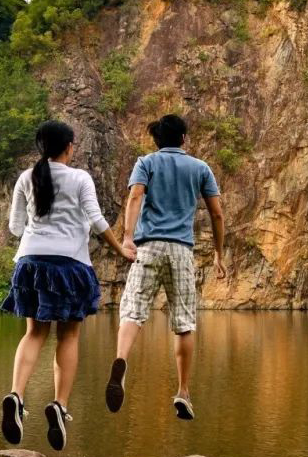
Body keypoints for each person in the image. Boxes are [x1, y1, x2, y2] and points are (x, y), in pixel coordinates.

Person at [0, 120, 135, 451]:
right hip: (70, 265)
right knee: (69, 336)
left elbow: (16, 228)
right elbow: (97, 220)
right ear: (69, 147)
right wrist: (122, 250)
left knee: (34, 334)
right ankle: (59, 405)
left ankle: (16, 396)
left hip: (30, 262)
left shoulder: (25, 178)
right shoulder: (79, 178)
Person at [104, 114, 227, 421]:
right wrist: (218, 253)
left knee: (132, 311)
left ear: (157, 139)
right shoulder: (200, 168)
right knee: (184, 322)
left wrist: (128, 237)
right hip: (181, 251)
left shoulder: (145, 163)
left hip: (148, 247)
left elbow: (135, 196)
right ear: (184, 138)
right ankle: (183, 391)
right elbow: (217, 215)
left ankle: (121, 360)